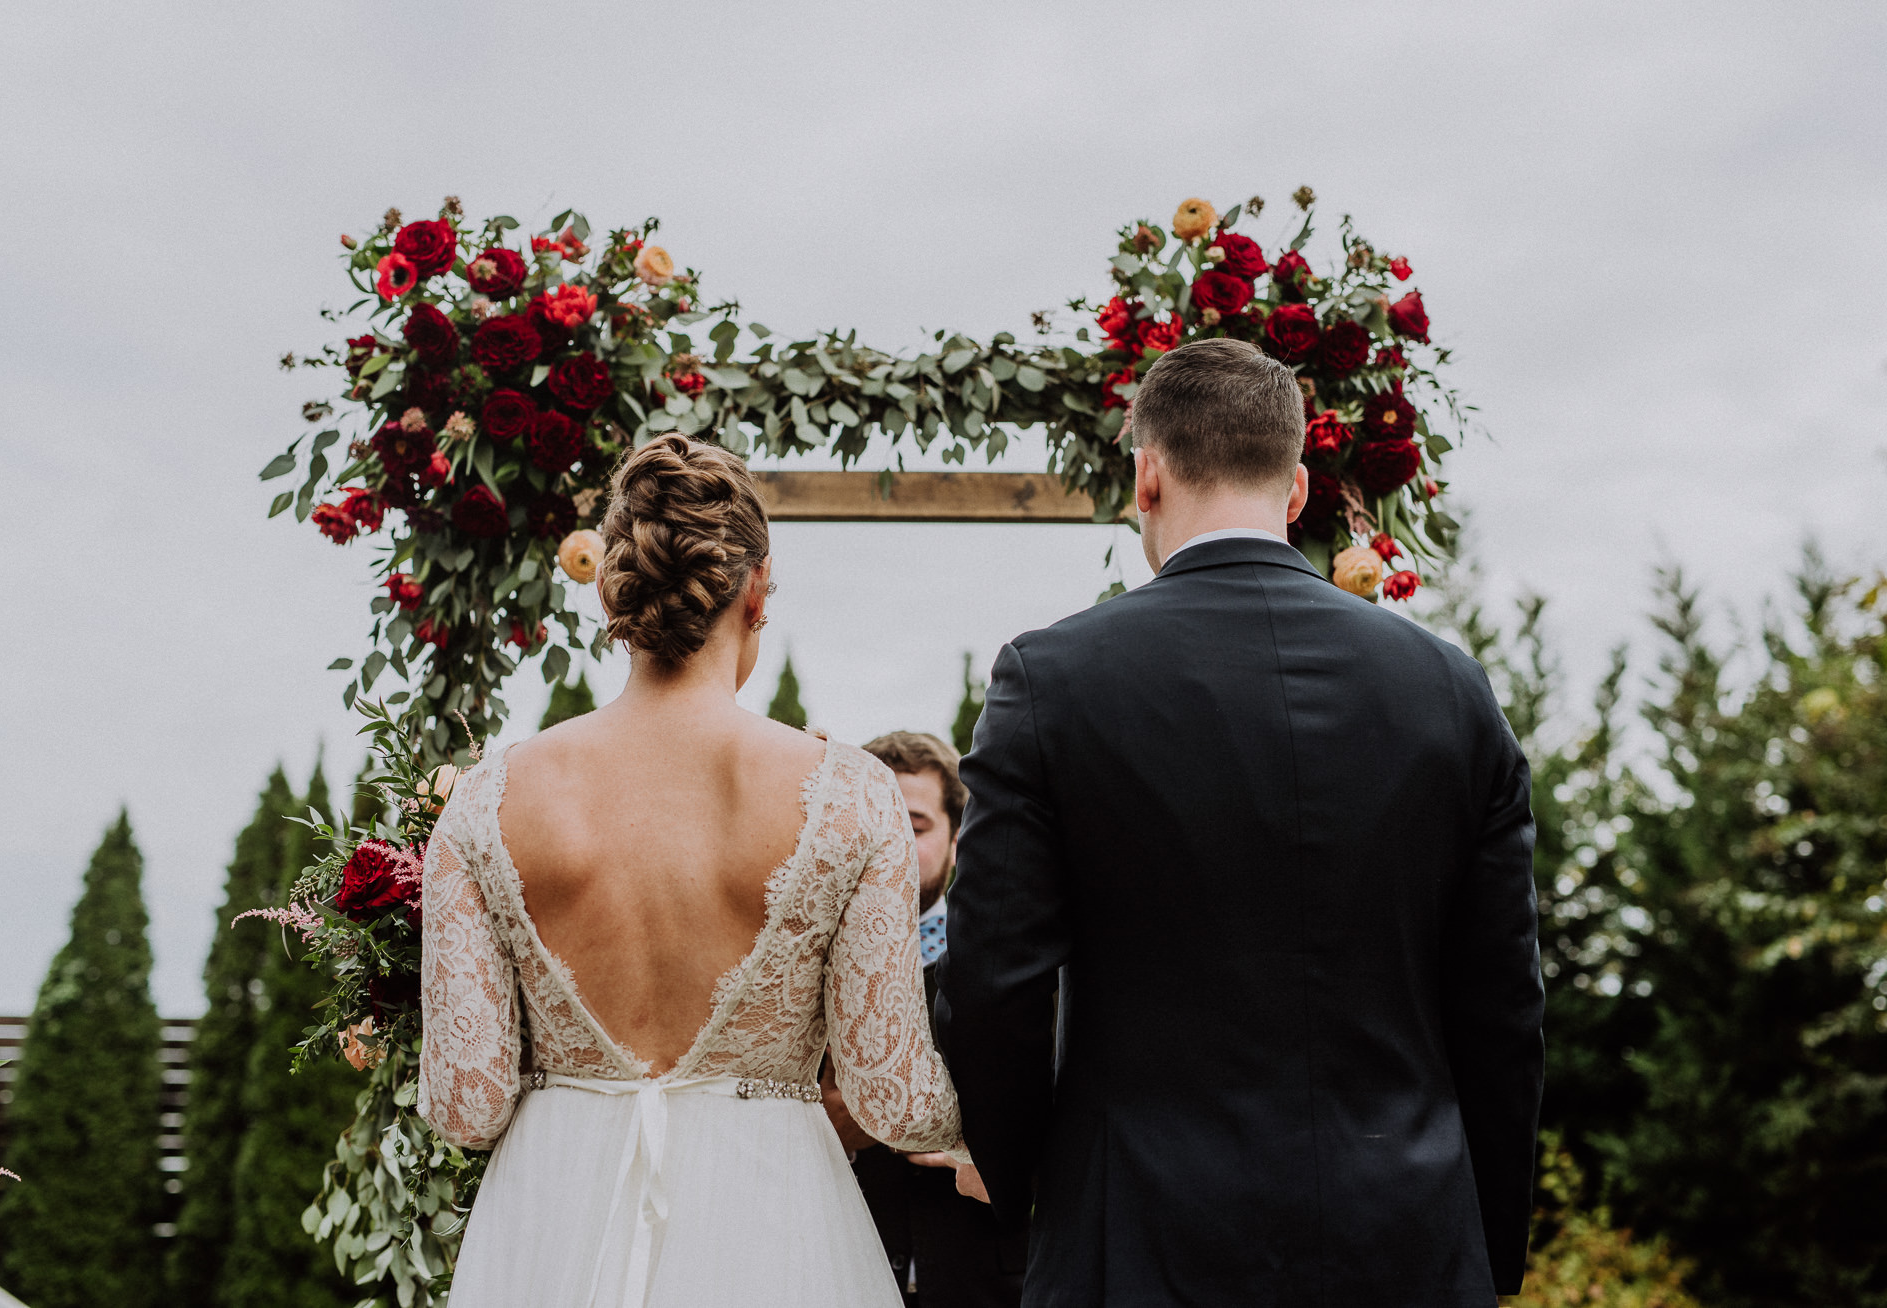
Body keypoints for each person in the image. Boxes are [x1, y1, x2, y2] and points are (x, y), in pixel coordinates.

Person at [937, 338, 1544, 1307]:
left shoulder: (1051, 680)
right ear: (1297, 489)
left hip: (1133, 1240)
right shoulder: (1450, 692)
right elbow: (1503, 1005)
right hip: (1408, 1244)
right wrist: (1483, 1242)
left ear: (1145, 475)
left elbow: (993, 979)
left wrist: (1019, 1190)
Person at [418, 434, 973, 1308]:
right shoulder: (847, 796)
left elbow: (467, 1105)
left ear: (611, 590)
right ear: (755, 591)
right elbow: (889, 1095)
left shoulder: (488, 800)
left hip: (552, 1225)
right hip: (773, 1217)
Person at [824, 731, 1027, 1307]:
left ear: (958, 840)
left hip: (986, 1278)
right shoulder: (798, 957)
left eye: (911, 828)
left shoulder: (1013, 959)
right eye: (875, 823)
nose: (889, 845)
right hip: (840, 1267)